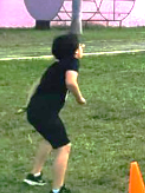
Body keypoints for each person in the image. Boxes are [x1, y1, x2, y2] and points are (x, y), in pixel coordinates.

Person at [22, 35, 86, 193]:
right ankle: (58, 189)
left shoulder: (55, 66)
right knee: (64, 147)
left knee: (49, 140)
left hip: (34, 111)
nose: (82, 47)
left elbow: (36, 85)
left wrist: (27, 105)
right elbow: (71, 82)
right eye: (80, 45)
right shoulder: (73, 62)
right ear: (75, 51)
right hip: (45, 114)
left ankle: (34, 175)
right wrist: (80, 99)